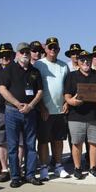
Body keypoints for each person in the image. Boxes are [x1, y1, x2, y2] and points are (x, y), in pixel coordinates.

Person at [0, 42, 44, 188]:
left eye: (27, 51)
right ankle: (16, 176)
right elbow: (3, 89)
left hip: (30, 112)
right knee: (12, 146)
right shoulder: (9, 69)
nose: (25, 54)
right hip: (12, 111)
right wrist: (18, 104)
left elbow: (40, 91)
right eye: (22, 52)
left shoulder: (35, 71)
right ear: (17, 54)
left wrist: (30, 106)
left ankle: (30, 175)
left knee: (30, 145)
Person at [64, 50, 96, 179]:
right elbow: (67, 95)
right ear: (78, 62)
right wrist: (71, 101)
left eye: (88, 60)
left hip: (94, 115)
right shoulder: (71, 76)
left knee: (94, 143)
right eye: (83, 60)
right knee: (77, 143)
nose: (86, 62)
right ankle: (77, 168)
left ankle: (93, 167)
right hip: (76, 116)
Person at [0, 43, 24, 182]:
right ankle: (4, 169)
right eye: (2, 55)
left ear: (13, 56)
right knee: (1, 142)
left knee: (19, 142)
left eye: (8, 55)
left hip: (15, 111)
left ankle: (17, 168)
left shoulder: (20, 70)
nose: (5, 58)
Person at [34, 37, 70, 181]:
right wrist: (41, 107)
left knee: (58, 140)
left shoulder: (63, 66)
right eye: (50, 47)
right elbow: (37, 87)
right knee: (43, 141)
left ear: (59, 50)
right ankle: (43, 167)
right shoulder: (39, 64)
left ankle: (58, 166)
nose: (53, 50)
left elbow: (67, 87)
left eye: (55, 48)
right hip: (44, 111)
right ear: (46, 49)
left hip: (60, 110)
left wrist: (67, 102)